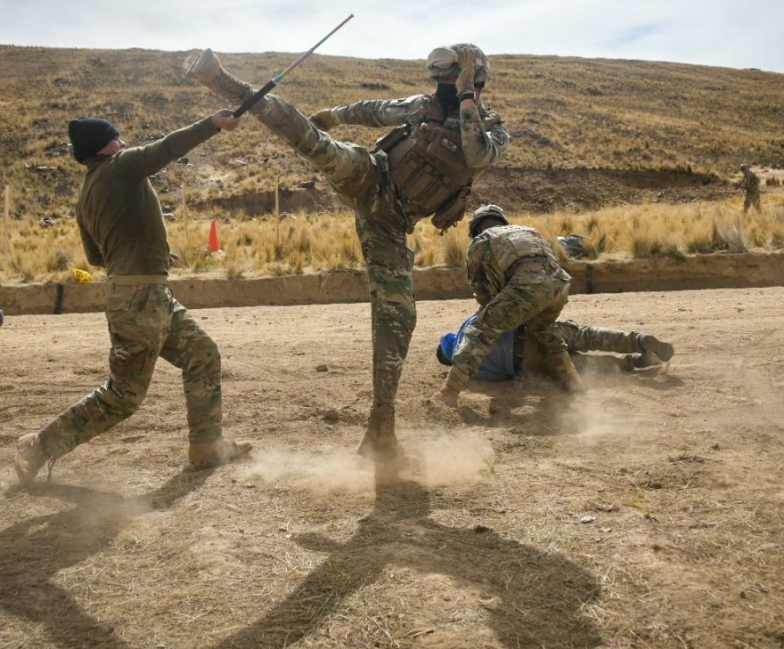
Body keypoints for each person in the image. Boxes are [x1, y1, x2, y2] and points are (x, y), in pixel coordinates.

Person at [188, 44, 509, 476]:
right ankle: (223, 81)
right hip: (370, 175)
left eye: (454, 80)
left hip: (390, 224)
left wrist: (467, 96)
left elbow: (474, 153)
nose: (445, 88)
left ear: (477, 81)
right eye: (443, 80)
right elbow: (375, 109)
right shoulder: (422, 106)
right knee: (309, 137)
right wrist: (334, 115)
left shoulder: (492, 131)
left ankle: (381, 431)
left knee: (399, 317)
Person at [14, 112, 253, 485]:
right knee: (123, 395)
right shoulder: (121, 166)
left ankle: (207, 446)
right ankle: (37, 447)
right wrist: (213, 123)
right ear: (105, 146)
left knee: (203, 354)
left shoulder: (88, 191)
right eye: (118, 137)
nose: (124, 141)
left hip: (146, 293)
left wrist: (148, 251)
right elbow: (167, 149)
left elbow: (96, 258)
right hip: (140, 300)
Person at [435, 204, 581, 408]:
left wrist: (490, 313)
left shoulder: (481, 241)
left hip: (526, 286)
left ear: (476, 229)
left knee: (480, 330)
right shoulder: (529, 231)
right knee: (546, 331)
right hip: (560, 285)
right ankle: (574, 384)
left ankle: (448, 393)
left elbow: (480, 289)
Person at [437, 315, 675, 381]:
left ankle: (632, 362)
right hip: (530, 330)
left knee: (581, 365)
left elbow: (503, 376)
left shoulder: (472, 370)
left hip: (523, 361)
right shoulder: (467, 324)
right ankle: (639, 340)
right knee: (586, 336)